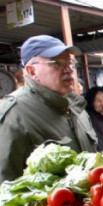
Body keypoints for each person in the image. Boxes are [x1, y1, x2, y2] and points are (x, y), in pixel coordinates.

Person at [0, 35, 97, 183]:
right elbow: (5, 188)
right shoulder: (14, 116)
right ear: (32, 71)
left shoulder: (77, 108)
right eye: (57, 63)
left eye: (70, 63)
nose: (69, 69)